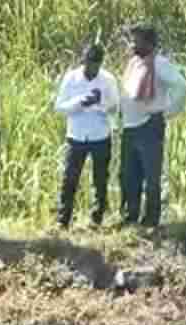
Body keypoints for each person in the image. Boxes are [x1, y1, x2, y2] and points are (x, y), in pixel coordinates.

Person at [119, 23, 186, 230]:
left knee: (151, 176)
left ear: (150, 43)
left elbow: (181, 87)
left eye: (137, 40)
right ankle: (130, 218)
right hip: (130, 127)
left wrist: (166, 111)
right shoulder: (134, 63)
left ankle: (151, 221)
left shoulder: (159, 63)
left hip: (149, 126)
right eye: (132, 39)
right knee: (128, 175)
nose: (132, 43)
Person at [53, 44, 120, 229]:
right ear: (83, 61)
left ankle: (96, 219)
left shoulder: (108, 80)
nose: (92, 69)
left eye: (96, 65)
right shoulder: (71, 78)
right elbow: (59, 107)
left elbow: (115, 107)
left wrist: (101, 102)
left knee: (100, 180)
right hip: (76, 136)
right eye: (89, 64)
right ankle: (63, 220)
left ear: (101, 63)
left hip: (100, 135)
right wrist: (81, 102)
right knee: (70, 179)